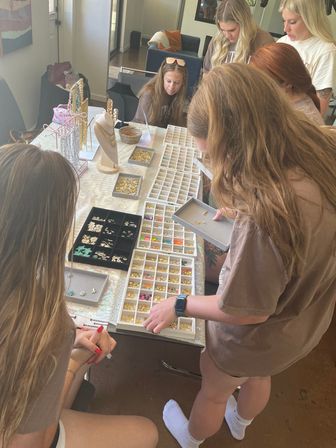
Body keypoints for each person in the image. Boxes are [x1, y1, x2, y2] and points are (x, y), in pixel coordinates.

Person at [144, 64, 336, 448]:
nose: (215, 169)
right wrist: (244, 205)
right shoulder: (320, 145)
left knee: (214, 388)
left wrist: (179, 304)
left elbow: (245, 311)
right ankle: (241, 422)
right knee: (259, 376)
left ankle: (191, 436)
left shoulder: (270, 210)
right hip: (298, 327)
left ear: (236, 145)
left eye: (213, 156)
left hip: (251, 334)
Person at [0, 143, 158, 448]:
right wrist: (72, 362)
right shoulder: (43, 325)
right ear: (54, 231)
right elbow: (33, 442)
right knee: (147, 432)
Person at [277, 0, 336, 116]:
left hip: (298, 124)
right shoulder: (282, 42)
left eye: (292, 22)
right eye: (284, 21)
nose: (285, 29)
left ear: (310, 19)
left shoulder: (326, 51)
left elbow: (318, 110)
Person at [250, 42, 324, 125]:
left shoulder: (303, 122)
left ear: (286, 83)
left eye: (261, 81)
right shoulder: (283, 104)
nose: (254, 86)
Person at [203, 0, 273, 72]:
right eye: (222, 30)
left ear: (245, 24)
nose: (227, 36)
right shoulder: (217, 40)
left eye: (232, 30)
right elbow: (206, 73)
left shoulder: (264, 42)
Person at [133, 57, 188, 128]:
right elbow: (139, 125)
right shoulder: (149, 94)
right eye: (168, 81)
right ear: (162, 78)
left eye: (177, 83)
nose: (171, 87)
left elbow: (177, 123)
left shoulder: (179, 95)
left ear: (183, 83)